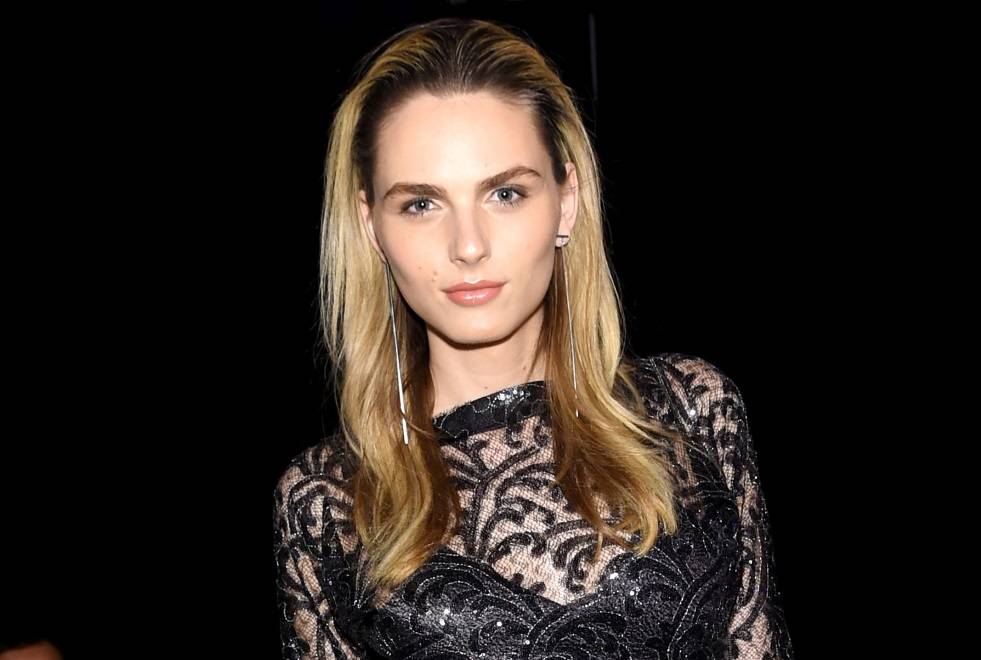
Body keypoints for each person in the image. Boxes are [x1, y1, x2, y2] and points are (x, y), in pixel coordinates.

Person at [273, 17, 794, 659]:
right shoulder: (326, 499)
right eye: (421, 204)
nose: (469, 246)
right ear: (372, 227)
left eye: (505, 193)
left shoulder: (692, 411)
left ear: (565, 202)